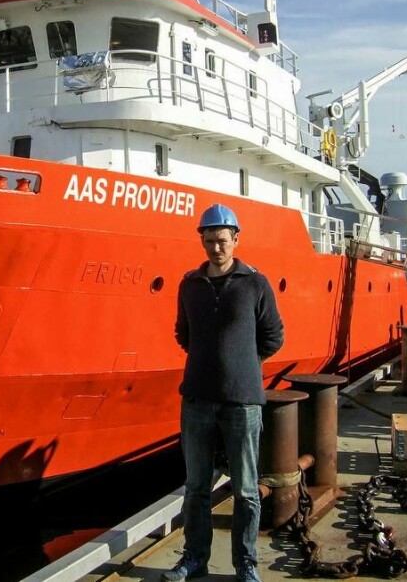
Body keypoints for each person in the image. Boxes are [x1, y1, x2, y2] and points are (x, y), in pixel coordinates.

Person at [164, 203, 284, 582]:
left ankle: (246, 564)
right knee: (196, 487)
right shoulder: (190, 284)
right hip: (197, 398)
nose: (216, 248)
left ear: (236, 239)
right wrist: (208, 361)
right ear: (201, 240)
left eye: (222, 241)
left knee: (246, 489)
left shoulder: (255, 283)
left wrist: (244, 366)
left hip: (243, 400)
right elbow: (183, 334)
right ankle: (194, 558)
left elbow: (273, 336)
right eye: (209, 240)